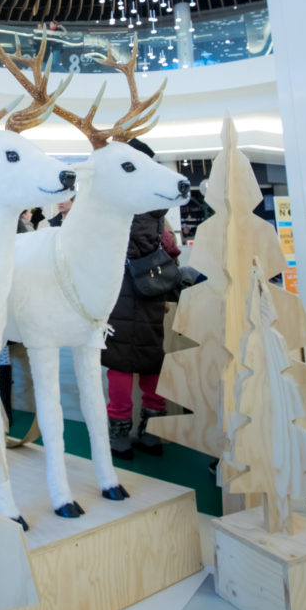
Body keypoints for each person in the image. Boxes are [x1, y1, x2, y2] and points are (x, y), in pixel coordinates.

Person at [99, 139, 179, 460]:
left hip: (118, 291)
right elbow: (170, 248)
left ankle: (119, 435)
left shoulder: (118, 204)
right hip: (152, 290)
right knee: (150, 361)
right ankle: (151, 434)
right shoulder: (158, 205)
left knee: (119, 365)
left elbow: (106, 249)